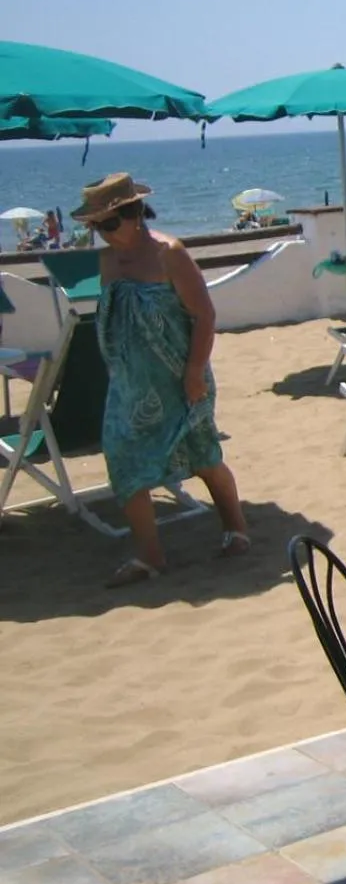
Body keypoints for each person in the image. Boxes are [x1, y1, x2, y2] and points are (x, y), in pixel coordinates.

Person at [70, 174, 249, 587]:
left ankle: (236, 527)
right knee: (124, 461)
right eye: (97, 227)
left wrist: (192, 374)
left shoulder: (170, 254)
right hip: (131, 383)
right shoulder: (107, 261)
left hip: (179, 374)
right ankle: (150, 556)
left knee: (203, 455)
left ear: (134, 215)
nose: (106, 235)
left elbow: (205, 316)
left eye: (110, 224)